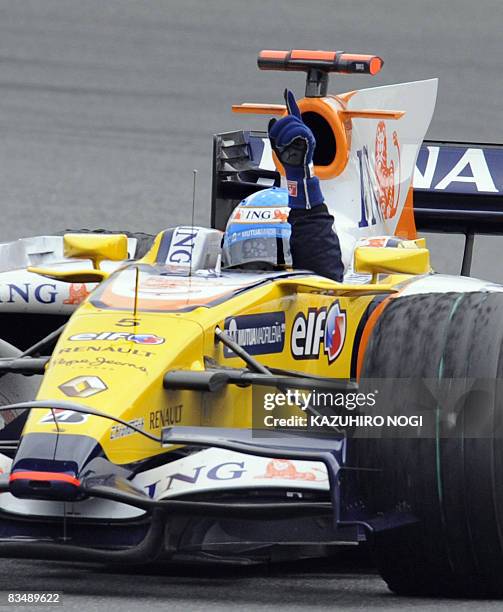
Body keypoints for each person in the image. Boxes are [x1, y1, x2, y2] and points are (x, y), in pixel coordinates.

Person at [222, 89, 344, 282]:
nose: (265, 272)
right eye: (249, 258)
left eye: (276, 261)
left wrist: (299, 176)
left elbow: (322, 277)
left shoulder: (312, 289)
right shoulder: (215, 293)